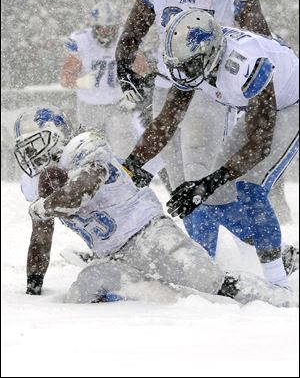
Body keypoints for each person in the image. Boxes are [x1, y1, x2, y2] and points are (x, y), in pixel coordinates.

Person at [13, 105, 297, 307]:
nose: (29, 154)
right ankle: (154, 290)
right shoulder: (42, 183)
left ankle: (282, 302)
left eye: (33, 144)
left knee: (210, 282)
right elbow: (41, 238)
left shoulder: (86, 145)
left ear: (56, 134)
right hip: (112, 254)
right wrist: (33, 287)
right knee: (83, 291)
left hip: (149, 233)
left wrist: (45, 206)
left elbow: (80, 192)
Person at [121, 9, 299, 289]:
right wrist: (132, 163)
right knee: (215, 198)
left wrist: (210, 180)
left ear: (212, 52)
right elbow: (166, 122)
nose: (183, 73)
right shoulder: (193, 57)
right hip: (256, 105)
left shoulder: (245, 64)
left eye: (190, 66)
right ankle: (283, 255)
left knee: (250, 185)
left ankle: (279, 283)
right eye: (179, 66)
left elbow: (260, 145)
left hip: (290, 106)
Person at [59, 0, 145, 160]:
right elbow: (65, 77)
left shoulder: (126, 38)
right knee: (90, 151)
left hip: (118, 104)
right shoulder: (82, 41)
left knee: (123, 149)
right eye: (101, 28)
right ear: (94, 26)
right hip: (89, 105)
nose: (105, 32)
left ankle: (125, 181)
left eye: (109, 28)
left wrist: (134, 90)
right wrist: (79, 82)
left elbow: (142, 70)